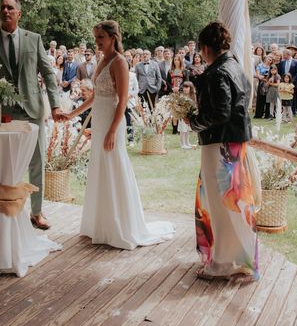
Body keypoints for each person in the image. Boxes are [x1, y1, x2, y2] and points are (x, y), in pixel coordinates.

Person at [65, 21, 174, 249]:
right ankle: (99, 224)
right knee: (99, 167)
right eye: (95, 38)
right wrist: (71, 114)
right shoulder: (102, 60)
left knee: (114, 165)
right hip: (101, 118)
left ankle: (120, 225)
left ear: (113, 37)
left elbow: (123, 100)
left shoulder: (119, 61)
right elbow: (96, 96)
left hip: (113, 122)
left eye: (101, 38)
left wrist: (113, 130)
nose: (97, 43)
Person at [0, 0, 64, 230]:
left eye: (10, 8)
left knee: (37, 161)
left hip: (33, 110)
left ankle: (37, 213)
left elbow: (47, 72)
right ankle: (9, 210)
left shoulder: (33, 39)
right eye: (2, 8)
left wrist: (55, 104)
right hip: (5, 113)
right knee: (8, 164)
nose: (5, 11)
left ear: (19, 13)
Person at [188, 21, 259, 281]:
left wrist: (193, 121)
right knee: (234, 202)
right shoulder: (236, 67)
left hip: (219, 144)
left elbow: (220, 113)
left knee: (222, 203)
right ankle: (233, 259)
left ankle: (226, 262)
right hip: (232, 143)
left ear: (205, 48)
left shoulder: (217, 73)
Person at [178, 81, 196, 149]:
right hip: (182, 116)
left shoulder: (192, 96)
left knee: (187, 129)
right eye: (184, 87)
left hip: (189, 116)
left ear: (190, 88)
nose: (184, 89)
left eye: (187, 87)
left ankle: (187, 142)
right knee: (183, 130)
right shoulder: (182, 96)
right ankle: (182, 144)